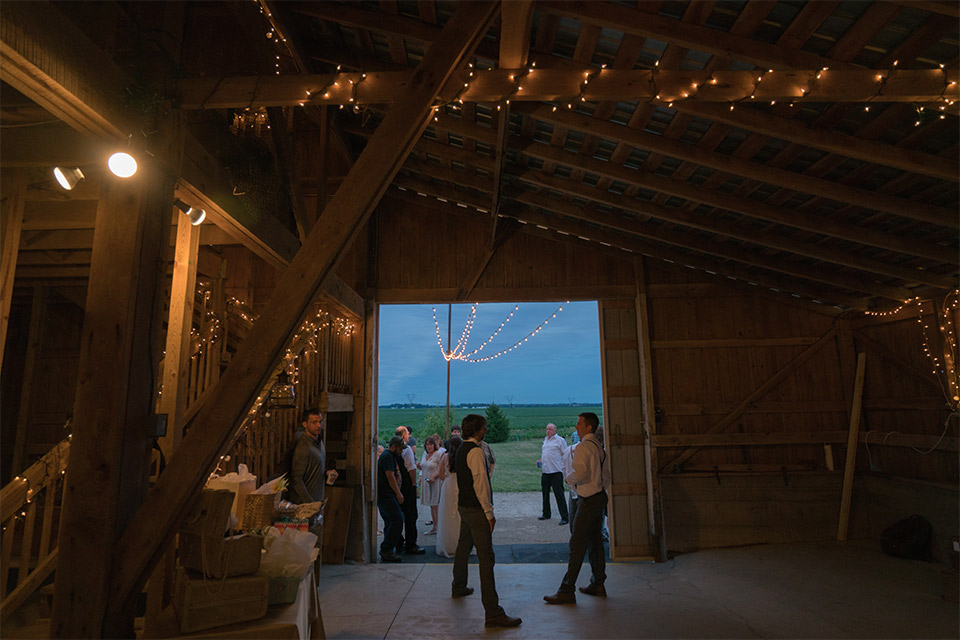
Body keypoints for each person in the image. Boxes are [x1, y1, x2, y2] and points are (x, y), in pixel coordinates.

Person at [451, 414, 522, 628]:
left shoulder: (462, 449)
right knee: (486, 558)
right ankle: (493, 612)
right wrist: (489, 514)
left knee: (463, 547)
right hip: (475, 509)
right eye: (484, 427)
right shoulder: (476, 452)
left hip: (464, 507)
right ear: (477, 429)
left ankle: (459, 586)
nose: (486, 430)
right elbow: (481, 483)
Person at [544, 412, 610, 604]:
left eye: (579, 423)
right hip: (599, 497)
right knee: (595, 541)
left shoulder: (582, 448)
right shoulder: (598, 447)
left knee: (577, 542)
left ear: (589, 427)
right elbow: (606, 475)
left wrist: (569, 480)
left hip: (588, 499)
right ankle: (598, 583)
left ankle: (567, 589)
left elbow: (579, 472)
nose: (576, 426)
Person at [287, 408, 336, 504]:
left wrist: (327, 473)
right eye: (314, 422)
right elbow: (296, 479)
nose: (318, 425)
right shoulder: (303, 448)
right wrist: (309, 503)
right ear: (305, 424)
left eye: (320, 422)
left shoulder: (319, 442)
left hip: (317, 499)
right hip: (305, 503)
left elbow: (315, 466)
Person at [395, 426, 424, 554]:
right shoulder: (406, 450)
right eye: (407, 434)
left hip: (398, 485)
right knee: (411, 515)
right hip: (407, 485)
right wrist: (413, 484)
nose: (409, 436)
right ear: (403, 436)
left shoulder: (393, 450)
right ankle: (411, 544)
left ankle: (398, 541)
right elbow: (411, 468)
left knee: (399, 514)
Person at [377, 436, 406, 563]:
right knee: (398, 519)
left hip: (385, 495)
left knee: (390, 521)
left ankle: (392, 546)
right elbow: (390, 476)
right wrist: (398, 493)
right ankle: (387, 548)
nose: (401, 451)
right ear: (393, 447)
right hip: (386, 495)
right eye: (400, 449)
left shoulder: (388, 456)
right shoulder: (388, 457)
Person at [435, 435, 462, 557]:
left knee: (446, 513)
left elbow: (440, 474)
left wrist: (447, 478)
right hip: (459, 485)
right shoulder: (462, 457)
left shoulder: (445, 457)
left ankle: (447, 544)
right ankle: (460, 544)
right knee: (458, 514)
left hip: (448, 485)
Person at [537, 423, 569, 525]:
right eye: (547, 429)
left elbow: (565, 455)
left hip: (556, 472)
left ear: (555, 430)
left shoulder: (560, 441)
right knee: (545, 494)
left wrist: (565, 471)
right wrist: (541, 460)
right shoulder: (545, 440)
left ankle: (565, 517)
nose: (548, 431)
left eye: (550, 429)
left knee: (559, 495)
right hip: (546, 471)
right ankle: (546, 513)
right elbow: (546, 453)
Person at [419, 436, 443, 534]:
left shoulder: (438, 454)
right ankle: (435, 526)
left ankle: (438, 527)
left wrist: (434, 477)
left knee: (436, 504)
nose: (429, 447)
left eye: (431, 444)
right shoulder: (426, 455)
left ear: (434, 445)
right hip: (427, 481)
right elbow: (425, 467)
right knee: (432, 505)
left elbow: (442, 469)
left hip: (436, 482)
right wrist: (419, 468)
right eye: (427, 445)